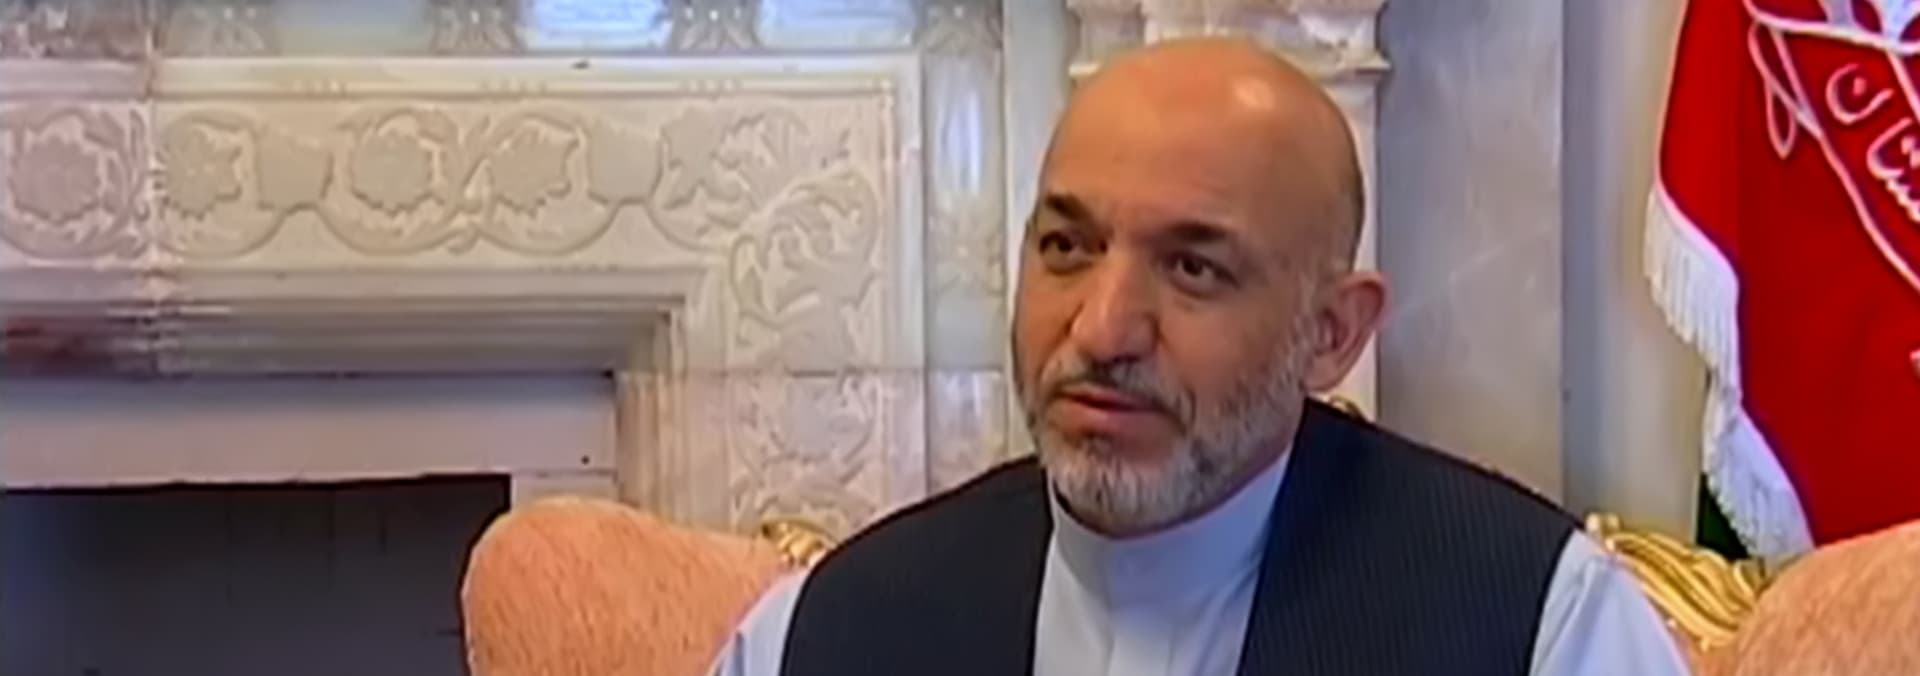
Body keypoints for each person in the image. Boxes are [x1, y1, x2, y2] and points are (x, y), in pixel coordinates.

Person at [709, 37, 1688, 676]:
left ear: (1332, 333)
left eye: (1193, 268)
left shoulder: (1542, 626)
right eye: (1068, 247)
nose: (1102, 331)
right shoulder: (825, 631)